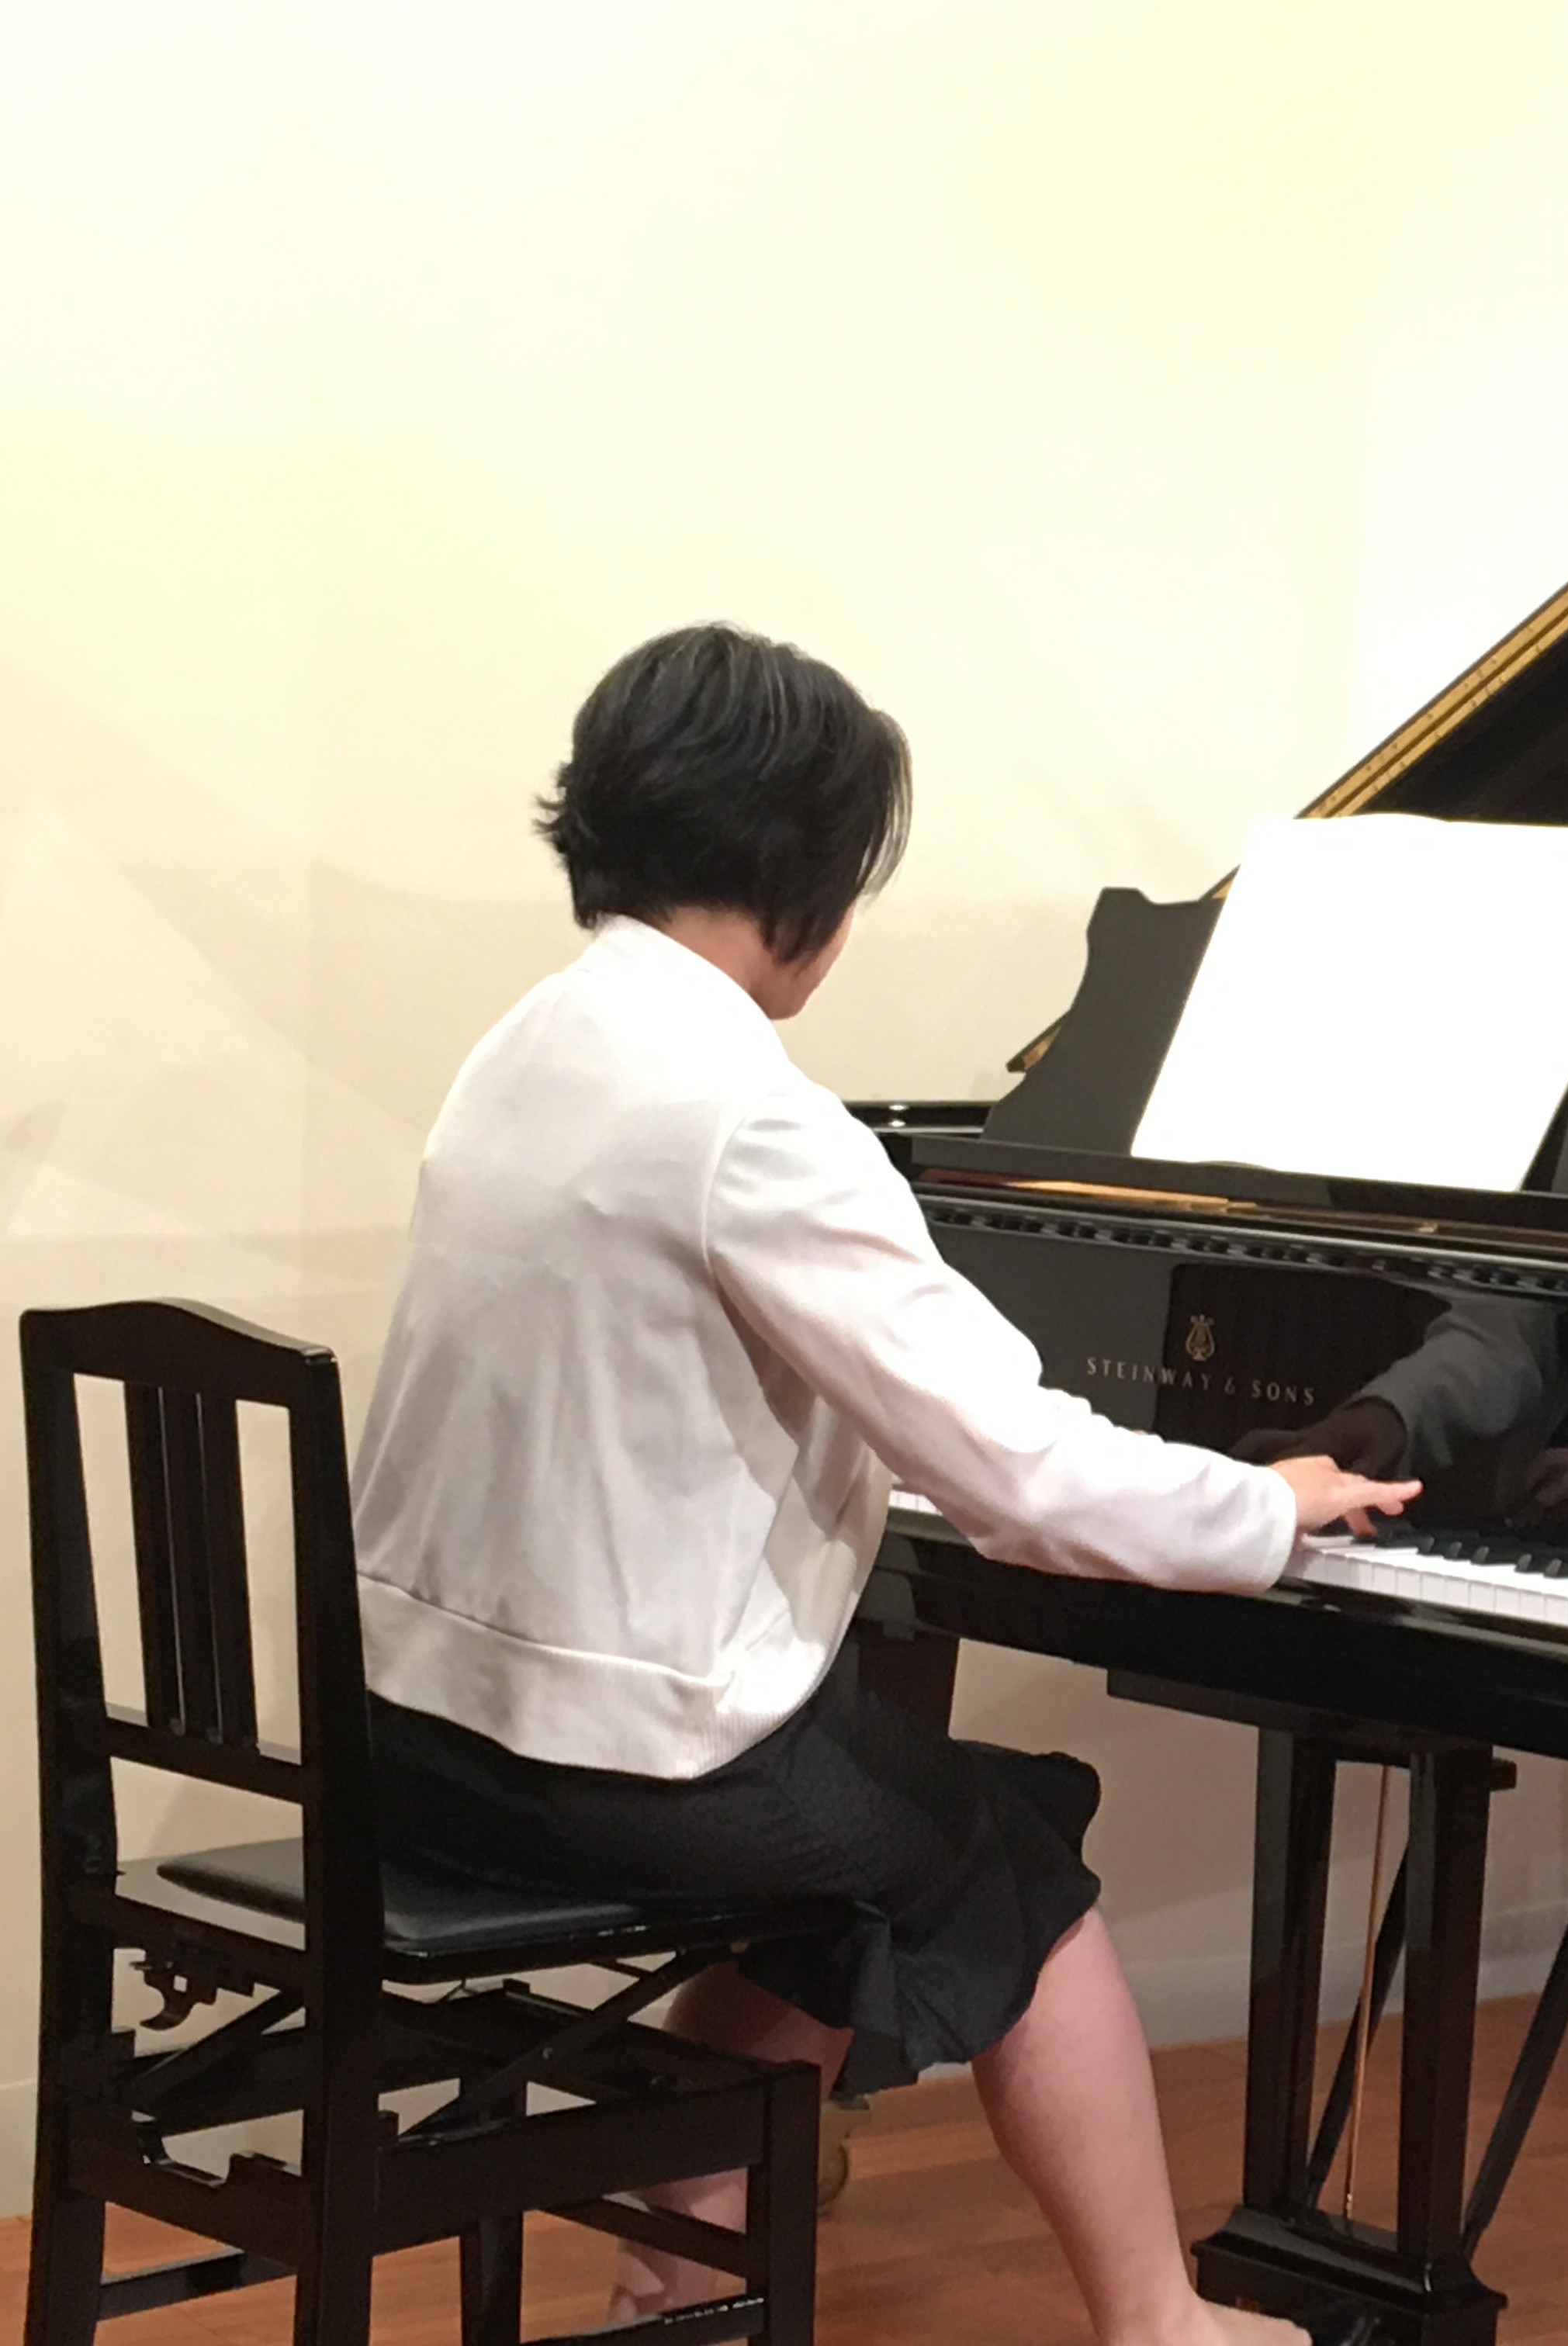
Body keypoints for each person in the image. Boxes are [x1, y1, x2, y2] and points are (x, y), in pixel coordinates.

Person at [353, 623, 1414, 2346]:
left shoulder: (532, 1043)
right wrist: (1265, 1504)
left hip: (417, 1722)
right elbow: (1022, 1475)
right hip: (603, 1755)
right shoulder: (749, 1121)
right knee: (1010, 1861)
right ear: (812, 881)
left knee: (874, 1823)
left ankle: (670, 2275)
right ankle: (1163, 2327)